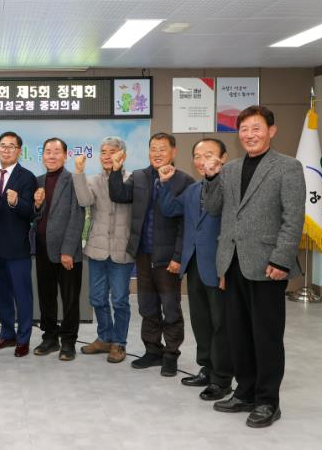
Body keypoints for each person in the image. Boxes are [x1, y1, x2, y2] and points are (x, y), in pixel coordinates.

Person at [203, 105, 305, 428]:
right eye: (244, 129)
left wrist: (281, 259)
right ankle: (245, 392)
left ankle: (268, 401)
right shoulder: (231, 168)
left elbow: (293, 218)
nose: (249, 135)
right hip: (233, 263)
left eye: (256, 128)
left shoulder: (287, 167)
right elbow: (214, 208)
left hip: (267, 265)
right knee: (238, 334)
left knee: (266, 336)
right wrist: (210, 177)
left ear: (271, 131)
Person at [109, 132, 194, 377]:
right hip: (143, 255)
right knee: (147, 307)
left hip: (168, 259)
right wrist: (116, 170)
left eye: (162, 149)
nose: (157, 153)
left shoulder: (184, 181)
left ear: (174, 152)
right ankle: (153, 351)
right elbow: (119, 194)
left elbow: (185, 224)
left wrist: (178, 256)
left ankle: (171, 355)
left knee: (171, 308)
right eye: (153, 149)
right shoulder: (139, 176)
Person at [157, 138, 233, 401]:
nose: (202, 161)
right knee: (201, 322)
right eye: (198, 156)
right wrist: (165, 183)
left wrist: (226, 266)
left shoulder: (231, 187)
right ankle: (207, 368)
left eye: (209, 155)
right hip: (195, 265)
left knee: (221, 324)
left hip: (219, 266)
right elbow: (169, 209)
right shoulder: (193, 190)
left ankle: (222, 378)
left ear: (223, 158)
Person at [72, 136, 134, 364]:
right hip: (97, 250)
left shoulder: (133, 179)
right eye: (103, 152)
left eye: (112, 151)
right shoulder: (93, 180)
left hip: (122, 250)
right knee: (97, 298)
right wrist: (79, 173)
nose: (107, 156)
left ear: (122, 155)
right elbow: (83, 201)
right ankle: (104, 337)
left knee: (120, 300)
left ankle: (119, 343)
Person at [32, 138, 85, 361]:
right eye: (47, 151)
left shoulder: (73, 180)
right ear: (42, 155)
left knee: (70, 299)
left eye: (56, 152)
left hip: (67, 251)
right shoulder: (38, 181)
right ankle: (50, 337)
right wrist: (36, 205)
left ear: (65, 155)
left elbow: (77, 216)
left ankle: (69, 341)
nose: (51, 156)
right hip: (43, 248)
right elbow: (35, 216)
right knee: (46, 296)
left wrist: (68, 250)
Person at [0, 132, 38, 357]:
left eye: (11, 146)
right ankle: (7, 334)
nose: (6, 150)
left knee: (22, 295)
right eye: (2, 145)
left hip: (17, 249)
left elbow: (32, 212)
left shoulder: (27, 177)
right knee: (2, 296)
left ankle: (23, 338)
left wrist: (17, 202)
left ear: (19, 151)